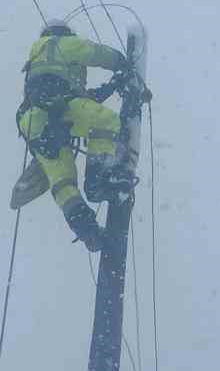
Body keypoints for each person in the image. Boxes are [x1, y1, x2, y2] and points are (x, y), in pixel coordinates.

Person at [10, 20, 145, 251]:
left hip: (35, 123)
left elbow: (81, 101)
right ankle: (97, 181)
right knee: (106, 121)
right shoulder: (59, 43)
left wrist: (112, 86)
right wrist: (123, 64)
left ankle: (86, 230)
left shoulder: (37, 60)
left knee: (62, 180)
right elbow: (96, 53)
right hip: (59, 111)